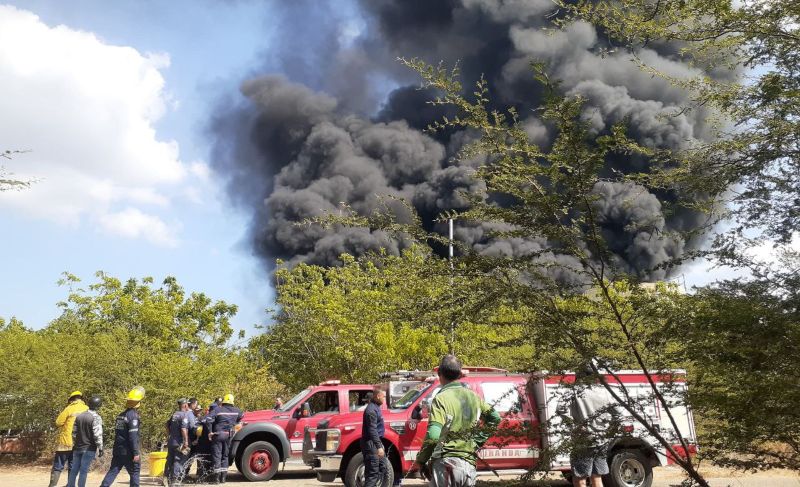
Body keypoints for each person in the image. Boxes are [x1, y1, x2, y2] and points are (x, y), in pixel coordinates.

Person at [411, 355, 501, 487]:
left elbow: (433, 436)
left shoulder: (441, 398)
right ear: (459, 374)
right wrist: (476, 442)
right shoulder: (474, 397)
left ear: (439, 374)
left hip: (445, 465)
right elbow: (495, 418)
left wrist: (421, 460)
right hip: (468, 466)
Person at [568, 365, 620, 487]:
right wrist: (609, 430)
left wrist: (574, 427)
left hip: (583, 440)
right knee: (597, 477)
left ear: (579, 376)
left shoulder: (574, 391)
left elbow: (561, 411)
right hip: (602, 440)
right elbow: (619, 414)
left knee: (580, 478)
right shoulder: (605, 392)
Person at [100, 387, 145, 487]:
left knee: (113, 471)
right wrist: (136, 453)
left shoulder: (120, 415)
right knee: (135, 472)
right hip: (128, 451)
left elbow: (118, 433)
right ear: (138, 403)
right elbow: (133, 436)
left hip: (118, 449)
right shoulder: (133, 416)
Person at [49, 391, 89, 487]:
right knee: (73, 466)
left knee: (58, 466)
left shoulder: (69, 408)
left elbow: (58, 422)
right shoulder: (87, 409)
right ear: (81, 398)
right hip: (80, 443)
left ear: (72, 399)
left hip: (66, 442)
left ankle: (52, 485)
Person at [67, 395, 103, 487]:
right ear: (98, 406)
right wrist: (100, 448)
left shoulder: (79, 416)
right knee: (83, 471)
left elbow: (74, 433)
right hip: (89, 448)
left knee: (74, 469)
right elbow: (97, 434)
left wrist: (77, 442)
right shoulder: (96, 417)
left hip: (77, 447)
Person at [207, 393, 243, 484]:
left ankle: (216, 479)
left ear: (224, 401)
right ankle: (223, 478)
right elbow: (240, 419)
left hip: (218, 435)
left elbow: (208, 420)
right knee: (225, 456)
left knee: (217, 456)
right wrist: (234, 424)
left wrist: (210, 432)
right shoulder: (237, 411)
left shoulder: (217, 409)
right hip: (229, 436)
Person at [165, 398, 195, 486]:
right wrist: (186, 441)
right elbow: (183, 429)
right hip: (179, 442)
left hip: (171, 441)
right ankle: (174, 480)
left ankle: (166, 479)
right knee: (178, 460)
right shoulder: (184, 415)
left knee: (170, 460)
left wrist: (169, 435)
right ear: (185, 405)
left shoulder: (174, 414)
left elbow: (166, 425)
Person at [361, 388, 386, 487]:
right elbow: (372, 430)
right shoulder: (371, 410)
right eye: (383, 396)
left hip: (375, 443)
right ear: (378, 396)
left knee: (382, 467)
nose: (384, 399)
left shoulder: (376, 408)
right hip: (371, 444)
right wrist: (379, 446)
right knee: (372, 474)